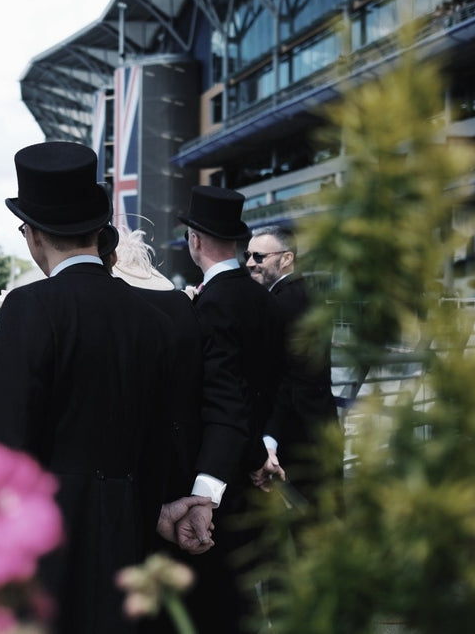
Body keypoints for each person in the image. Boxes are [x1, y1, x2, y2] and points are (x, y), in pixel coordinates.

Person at [0, 141, 207, 634]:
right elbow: (164, 435)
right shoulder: (154, 319)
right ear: (100, 232)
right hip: (130, 529)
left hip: (44, 536)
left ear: (32, 235)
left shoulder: (28, 308)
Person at [179, 185, 284, 634]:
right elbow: (277, 383)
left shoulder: (211, 304)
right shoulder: (265, 298)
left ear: (195, 240)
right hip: (257, 462)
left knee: (217, 598)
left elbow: (224, 397)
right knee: (242, 591)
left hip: (218, 470)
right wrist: (266, 451)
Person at [245, 225, 341, 524]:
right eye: (248, 255)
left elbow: (283, 379)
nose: (250, 263)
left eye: (259, 256)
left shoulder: (279, 304)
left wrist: (269, 441)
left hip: (295, 436)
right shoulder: (307, 296)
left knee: (304, 530)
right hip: (321, 429)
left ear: (286, 258)